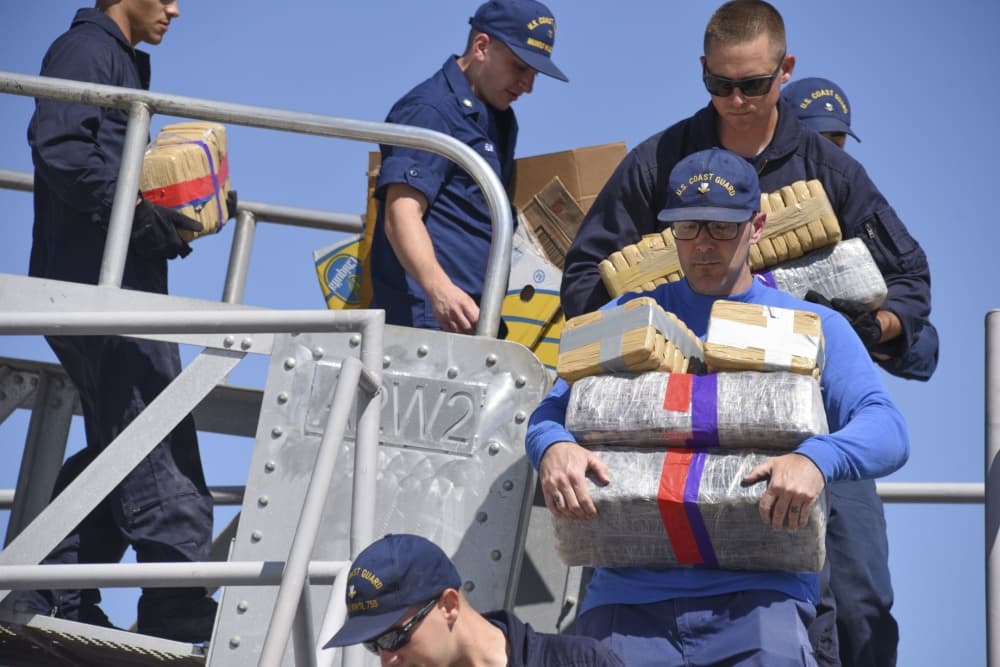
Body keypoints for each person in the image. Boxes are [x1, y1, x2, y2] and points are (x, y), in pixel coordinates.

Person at [558, 3, 930, 664]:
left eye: (752, 85)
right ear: (702, 72)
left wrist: (837, 328)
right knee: (624, 587)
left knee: (862, 606)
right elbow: (585, 275)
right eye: (720, 84)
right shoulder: (660, 162)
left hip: (801, 429)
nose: (735, 99)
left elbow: (911, 282)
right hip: (672, 417)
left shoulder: (832, 172)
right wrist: (654, 320)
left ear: (784, 72)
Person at [527, 147, 909, 666]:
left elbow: (888, 429)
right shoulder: (623, 317)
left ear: (757, 225)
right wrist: (554, 448)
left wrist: (816, 459)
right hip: (624, 605)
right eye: (687, 228)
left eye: (722, 228)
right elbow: (547, 415)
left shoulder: (815, 326)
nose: (703, 245)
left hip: (760, 605)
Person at [13, 0, 217, 643]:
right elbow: (61, 146)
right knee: (156, 432)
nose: (177, 9)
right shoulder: (87, 51)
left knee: (122, 443)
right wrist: (132, 210)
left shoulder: (116, 59)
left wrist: (175, 203)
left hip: (111, 279)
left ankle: (54, 587)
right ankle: (173, 599)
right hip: (96, 285)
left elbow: (95, 159)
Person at [370, 0, 568, 334]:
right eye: (520, 67)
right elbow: (400, 214)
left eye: (534, 74)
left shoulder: (500, 118)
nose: (528, 86)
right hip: (425, 320)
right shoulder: (431, 110)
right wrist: (440, 291)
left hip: (472, 317)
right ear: (481, 46)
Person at [782, 75, 939, 382]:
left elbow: (925, 353)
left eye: (836, 143)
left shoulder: (858, 229)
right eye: (817, 141)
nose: (828, 156)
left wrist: (873, 329)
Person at [323, 533, 626, 666]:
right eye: (373, 645)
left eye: (393, 638)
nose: (387, 660)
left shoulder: (580, 663)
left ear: (449, 606)